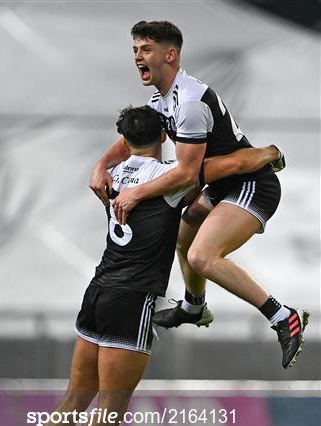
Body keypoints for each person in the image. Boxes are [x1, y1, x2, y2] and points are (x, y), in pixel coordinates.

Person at [8, 105, 281, 426]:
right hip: (132, 299)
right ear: (164, 136)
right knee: (109, 410)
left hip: (97, 291)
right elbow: (232, 166)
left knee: (75, 397)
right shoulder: (168, 178)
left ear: (125, 138)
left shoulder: (113, 175)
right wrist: (268, 155)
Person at [90, 20, 309, 369]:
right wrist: (101, 164)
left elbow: (187, 175)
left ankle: (283, 316)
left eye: (146, 49)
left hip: (253, 186)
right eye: (135, 50)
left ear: (170, 54)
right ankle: (194, 305)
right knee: (184, 232)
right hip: (227, 182)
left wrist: (134, 194)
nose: (137, 57)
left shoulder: (189, 102)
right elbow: (136, 138)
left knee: (203, 257)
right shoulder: (163, 98)